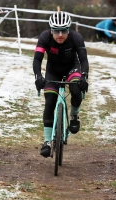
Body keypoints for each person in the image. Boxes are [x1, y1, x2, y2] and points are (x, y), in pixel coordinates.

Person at [33, 11, 89, 158]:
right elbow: (37, 59)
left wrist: (84, 76)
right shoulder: (44, 37)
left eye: (63, 31)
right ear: (51, 30)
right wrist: (38, 76)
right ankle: (47, 142)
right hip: (53, 70)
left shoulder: (76, 38)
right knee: (50, 101)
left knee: (76, 90)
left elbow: (83, 59)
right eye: (56, 31)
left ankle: (74, 116)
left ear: (68, 30)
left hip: (72, 68)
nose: (59, 35)